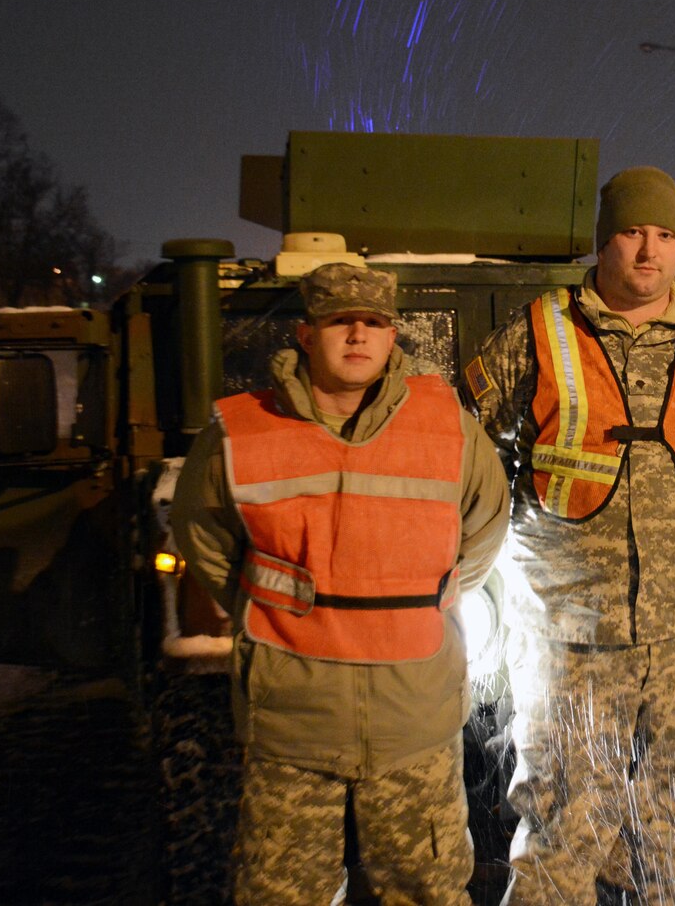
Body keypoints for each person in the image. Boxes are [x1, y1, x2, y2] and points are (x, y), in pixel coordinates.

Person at [463, 166, 675, 904]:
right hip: (573, 631)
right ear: (604, 242)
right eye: (633, 233)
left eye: (665, 236)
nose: (649, 252)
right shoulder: (540, 333)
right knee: (564, 830)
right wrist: (526, 530)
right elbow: (468, 447)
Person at [170, 262, 510, 905]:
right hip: (293, 724)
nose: (358, 335)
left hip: (414, 721)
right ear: (305, 334)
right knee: (282, 895)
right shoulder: (240, 434)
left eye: (373, 322)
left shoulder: (449, 427)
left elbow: (485, 526)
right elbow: (205, 538)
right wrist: (269, 607)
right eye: (339, 322)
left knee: (428, 893)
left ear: (392, 337)